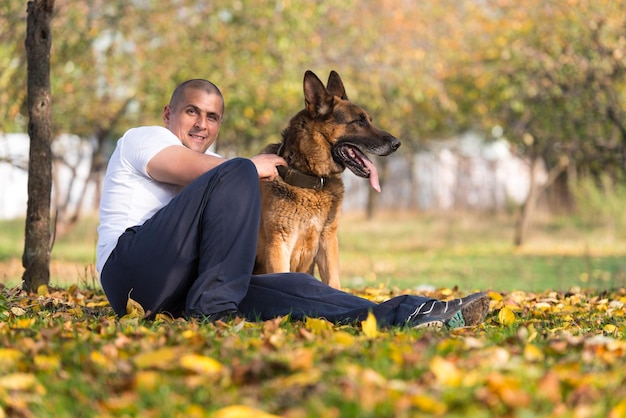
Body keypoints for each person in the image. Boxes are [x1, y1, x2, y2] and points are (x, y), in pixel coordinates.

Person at [96, 78, 490, 329]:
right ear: (169, 114)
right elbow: (186, 168)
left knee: (298, 287)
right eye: (191, 112)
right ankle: (214, 309)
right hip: (130, 275)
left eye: (212, 117)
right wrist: (252, 167)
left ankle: (415, 313)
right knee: (235, 171)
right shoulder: (144, 138)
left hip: (189, 291)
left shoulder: (221, 170)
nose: (202, 124)